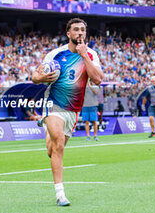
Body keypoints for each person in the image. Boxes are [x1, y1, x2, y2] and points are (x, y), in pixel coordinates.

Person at [32, 18, 103, 207]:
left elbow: (97, 80)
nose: (80, 33)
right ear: (68, 34)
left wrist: (84, 56)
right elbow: (35, 76)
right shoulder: (56, 54)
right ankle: (60, 194)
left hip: (73, 110)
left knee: (52, 149)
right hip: (53, 103)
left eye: (82, 30)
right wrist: (41, 77)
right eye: (76, 30)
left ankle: (47, 129)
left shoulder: (91, 54)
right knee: (59, 145)